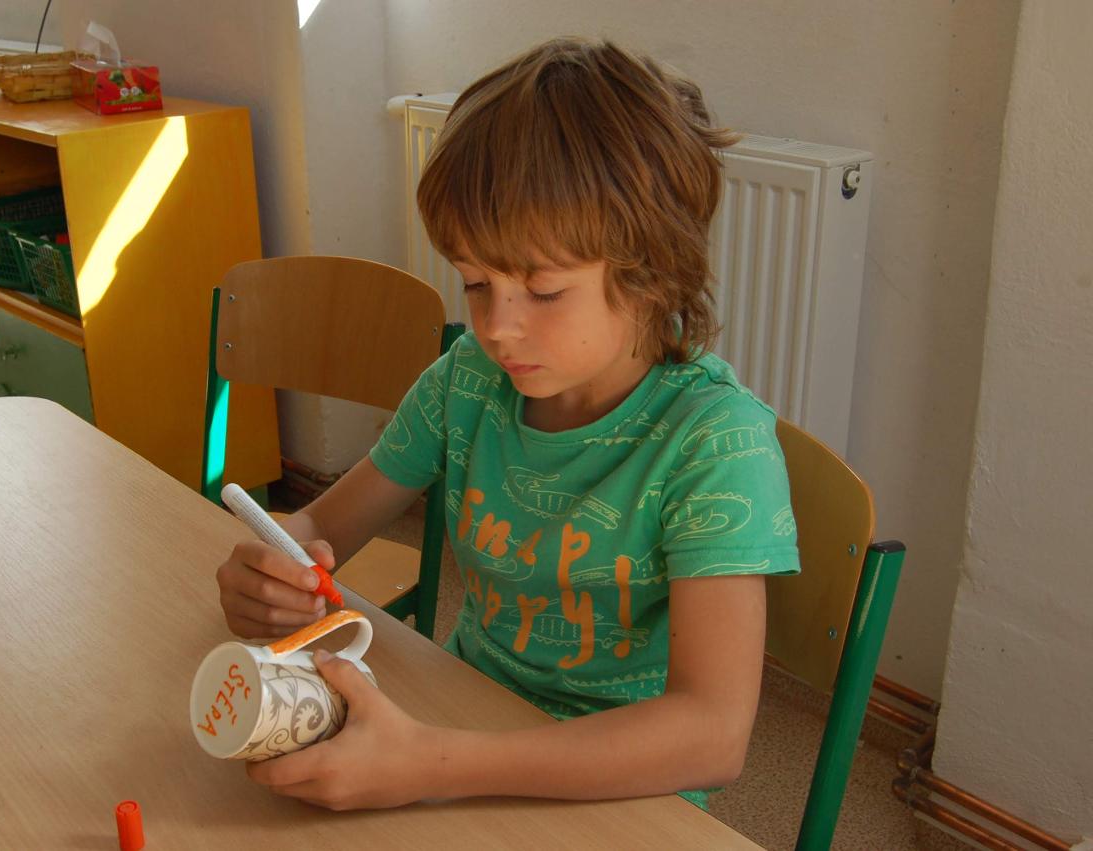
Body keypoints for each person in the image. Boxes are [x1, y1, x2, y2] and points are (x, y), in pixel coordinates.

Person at [215, 36, 800, 811]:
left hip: (626, 790)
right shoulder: (469, 382)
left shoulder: (715, 443)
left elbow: (711, 733)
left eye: (544, 291)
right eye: (475, 282)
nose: (497, 327)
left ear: (653, 270)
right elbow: (323, 527)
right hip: (463, 720)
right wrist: (272, 575)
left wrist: (434, 765)